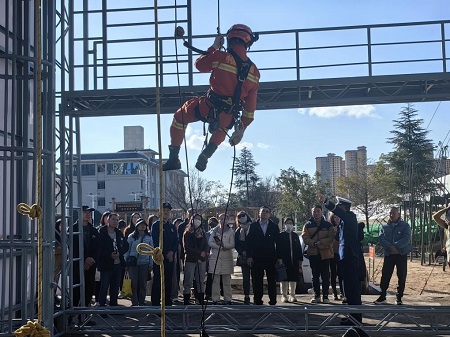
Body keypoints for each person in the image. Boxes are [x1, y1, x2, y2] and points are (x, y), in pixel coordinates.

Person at [162, 24, 260, 172]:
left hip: (208, 106)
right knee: (225, 126)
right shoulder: (254, 73)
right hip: (228, 115)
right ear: (248, 43)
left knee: (180, 117)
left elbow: (200, 65)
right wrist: (242, 129)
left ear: (230, 39)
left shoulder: (220, 56)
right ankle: (206, 155)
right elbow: (249, 112)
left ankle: (174, 158)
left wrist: (214, 46)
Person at [318, 194, 362, 325]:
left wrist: (326, 202)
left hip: (350, 258)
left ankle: (356, 319)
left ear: (345, 208)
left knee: (353, 290)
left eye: (339, 207)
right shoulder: (345, 221)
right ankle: (352, 316)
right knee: (348, 290)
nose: (337, 209)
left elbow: (337, 211)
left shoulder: (349, 217)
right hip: (346, 258)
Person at [374, 207, 412, 305]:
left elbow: (406, 238)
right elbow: (381, 238)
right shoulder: (384, 226)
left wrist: (396, 246)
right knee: (385, 275)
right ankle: (382, 296)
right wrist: (389, 247)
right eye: (390, 213)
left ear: (398, 214)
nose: (392, 215)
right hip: (389, 254)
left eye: (394, 213)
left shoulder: (405, 225)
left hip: (401, 254)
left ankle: (399, 297)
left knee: (401, 275)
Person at [246, 206, 281, 305]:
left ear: (269, 214)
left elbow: (278, 243)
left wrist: (279, 257)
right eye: (263, 212)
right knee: (257, 280)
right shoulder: (253, 226)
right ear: (259, 213)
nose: (264, 213)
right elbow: (249, 243)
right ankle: (257, 300)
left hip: (270, 257)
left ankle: (273, 300)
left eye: (266, 212)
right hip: (257, 257)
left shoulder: (274, 226)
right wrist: (249, 256)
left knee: (271, 280)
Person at [302, 205, 335, 304]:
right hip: (313, 253)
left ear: (321, 212)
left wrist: (321, 242)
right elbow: (305, 237)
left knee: (325, 276)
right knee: (315, 275)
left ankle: (325, 296)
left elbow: (332, 237)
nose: (316, 213)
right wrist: (313, 243)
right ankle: (316, 295)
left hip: (325, 253)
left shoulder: (328, 225)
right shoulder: (307, 225)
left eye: (318, 211)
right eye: (314, 211)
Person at [72, 205, 100, 308]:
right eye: (85, 212)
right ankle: (73, 316)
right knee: (76, 290)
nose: (88, 214)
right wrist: (84, 259)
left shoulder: (93, 230)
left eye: (89, 212)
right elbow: (72, 247)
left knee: (89, 290)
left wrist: (91, 259)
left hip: (90, 265)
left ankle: (85, 315)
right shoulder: (72, 229)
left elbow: (97, 247)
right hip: (77, 265)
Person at [97, 213, 127, 307]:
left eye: (117, 220)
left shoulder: (118, 233)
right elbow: (98, 248)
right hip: (106, 265)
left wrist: (120, 253)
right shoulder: (101, 232)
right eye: (113, 219)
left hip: (118, 264)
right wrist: (109, 254)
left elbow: (125, 245)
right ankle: (102, 306)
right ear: (108, 220)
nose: (115, 222)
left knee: (115, 287)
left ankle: (114, 306)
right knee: (104, 286)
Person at [151, 202, 178, 306]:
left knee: (168, 280)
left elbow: (176, 241)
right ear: (159, 212)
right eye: (164, 210)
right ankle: (156, 303)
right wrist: (165, 253)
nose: (166, 212)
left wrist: (171, 252)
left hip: (170, 258)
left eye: (168, 210)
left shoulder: (171, 226)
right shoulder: (156, 225)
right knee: (158, 280)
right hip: (160, 257)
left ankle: (167, 302)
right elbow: (156, 241)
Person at [124, 218, 153, 306]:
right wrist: (126, 261)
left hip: (144, 263)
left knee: (143, 284)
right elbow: (127, 250)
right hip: (133, 263)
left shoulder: (149, 237)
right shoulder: (131, 237)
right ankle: (134, 302)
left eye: (144, 224)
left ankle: (142, 301)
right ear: (137, 226)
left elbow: (152, 251)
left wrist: (151, 263)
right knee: (134, 284)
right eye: (140, 224)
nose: (142, 226)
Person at [208, 213, 235, 304]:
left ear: (227, 220)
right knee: (215, 280)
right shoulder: (214, 231)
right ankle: (215, 298)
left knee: (226, 280)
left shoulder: (231, 231)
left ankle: (228, 298)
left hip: (226, 256)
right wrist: (218, 247)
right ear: (218, 220)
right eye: (221, 218)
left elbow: (232, 244)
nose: (223, 220)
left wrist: (224, 246)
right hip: (215, 256)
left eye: (225, 218)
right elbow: (210, 242)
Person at [182, 214, 208, 305]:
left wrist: (204, 253)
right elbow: (187, 247)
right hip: (190, 259)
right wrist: (198, 253)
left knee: (200, 280)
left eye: (199, 219)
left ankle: (200, 299)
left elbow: (206, 245)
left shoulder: (202, 232)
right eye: (196, 219)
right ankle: (186, 299)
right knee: (188, 280)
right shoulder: (187, 233)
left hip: (201, 260)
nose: (198, 220)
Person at [278, 217, 303, 303]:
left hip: (294, 260)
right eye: (287, 223)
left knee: (293, 278)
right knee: (284, 278)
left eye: (290, 223)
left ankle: (292, 295)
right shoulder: (281, 235)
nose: (289, 225)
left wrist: (300, 259)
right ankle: (284, 295)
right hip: (284, 260)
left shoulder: (295, 235)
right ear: (284, 224)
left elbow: (299, 248)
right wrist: (279, 258)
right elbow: (278, 248)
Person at [234, 210, 253, 304]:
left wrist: (251, 253)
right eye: (240, 216)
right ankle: (246, 296)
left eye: (243, 215)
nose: (242, 217)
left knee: (256, 277)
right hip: (243, 257)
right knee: (246, 278)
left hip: (254, 256)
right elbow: (236, 244)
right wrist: (242, 252)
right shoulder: (238, 230)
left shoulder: (253, 227)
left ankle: (257, 295)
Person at [329, 213, 344, 300]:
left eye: (338, 217)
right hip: (332, 253)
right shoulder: (330, 228)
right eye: (335, 217)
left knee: (341, 274)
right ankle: (334, 293)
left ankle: (342, 292)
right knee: (333, 273)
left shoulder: (343, 226)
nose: (336, 219)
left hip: (341, 253)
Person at [205, 216, 219, 300]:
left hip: (219, 255)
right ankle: (208, 293)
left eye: (213, 222)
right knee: (210, 276)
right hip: (210, 256)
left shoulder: (220, 232)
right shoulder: (207, 233)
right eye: (210, 222)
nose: (212, 224)